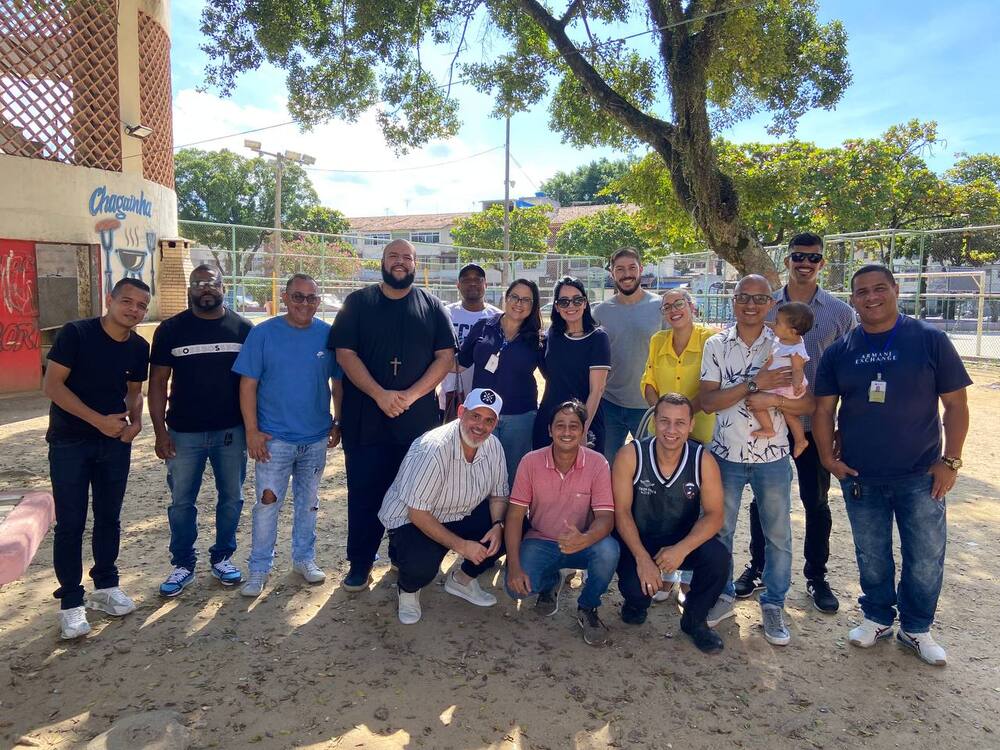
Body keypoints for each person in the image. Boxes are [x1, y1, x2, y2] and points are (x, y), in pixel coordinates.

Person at [813, 265, 970, 666]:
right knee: (872, 553)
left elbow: (955, 405)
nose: (871, 297)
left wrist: (950, 460)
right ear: (853, 300)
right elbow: (824, 409)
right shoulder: (840, 350)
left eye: (879, 288)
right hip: (861, 476)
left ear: (896, 290)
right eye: (862, 291)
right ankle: (877, 617)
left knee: (925, 555)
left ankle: (916, 629)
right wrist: (828, 458)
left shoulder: (929, 340)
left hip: (921, 475)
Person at [736, 233, 856, 614]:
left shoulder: (839, 312)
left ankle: (816, 575)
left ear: (822, 263)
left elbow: (849, 371)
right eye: (798, 256)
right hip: (770, 417)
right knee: (763, 500)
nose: (805, 263)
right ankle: (757, 566)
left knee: (816, 501)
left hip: (814, 420)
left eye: (813, 257)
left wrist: (841, 423)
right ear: (787, 260)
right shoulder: (766, 305)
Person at [329, 239, 456, 591]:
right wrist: (380, 394)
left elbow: (445, 358)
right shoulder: (358, 303)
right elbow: (345, 354)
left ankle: (404, 557)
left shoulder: (432, 306)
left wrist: (411, 396)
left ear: (416, 264)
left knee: (414, 493)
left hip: (417, 424)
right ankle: (360, 563)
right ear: (382, 262)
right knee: (365, 493)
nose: (400, 262)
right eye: (394, 257)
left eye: (407, 258)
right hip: (365, 420)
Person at [699, 275, 815, 646]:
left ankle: (774, 602)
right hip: (726, 455)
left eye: (759, 298)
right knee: (721, 530)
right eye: (743, 297)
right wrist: (754, 384)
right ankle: (724, 593)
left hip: (773, 456)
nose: (750, 304)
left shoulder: (785, 342)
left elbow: (806, 402)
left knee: (777, 533)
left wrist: (774, 401)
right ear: (733, 301)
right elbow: (708, 402)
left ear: (771, 303)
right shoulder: (716, 344)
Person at [42, 277, 151, 639]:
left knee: (109, 518)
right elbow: (52, 386)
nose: (134, 310)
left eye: (141, 306)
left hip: (115, 443)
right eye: (128, 302)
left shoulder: (139, 347)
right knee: (70, 524)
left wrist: (135, 423)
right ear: (110, 299)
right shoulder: (76, 334)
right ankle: (71, 604)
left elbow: (134, 392)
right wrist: (97, 421)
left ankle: (106, 586)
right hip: (70, 443)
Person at [233, 274, 343, 598]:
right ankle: (259, 569)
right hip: (273, 440)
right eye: (298, 297)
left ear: (318, 302)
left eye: (311, 298)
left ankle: (304, 559)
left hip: (315, 437)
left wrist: (339, 421)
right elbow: (247, 385)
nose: (304, 304)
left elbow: (338, 383)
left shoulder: (327, 336)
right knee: (267, 505)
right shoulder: (263, 334)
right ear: (284, 298)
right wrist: (251, 431)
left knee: (309, 503)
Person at [149, 265, 253, 597]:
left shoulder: (243, 329)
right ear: (190, 289)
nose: (205, 289)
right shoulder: (170, 330)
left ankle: (223, 557)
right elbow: (156, 384)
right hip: (183, 433)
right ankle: (183, 564)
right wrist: (159, 432)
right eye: (199, 284)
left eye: (212, 284)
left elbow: (254, 385)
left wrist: (253, 428)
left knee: (232, 498)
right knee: (181, 502)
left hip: (230, 432)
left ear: (225, 286)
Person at [378, 388, 509, 624]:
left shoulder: (494, 447)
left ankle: (462, 580)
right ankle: (408, 589)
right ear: (461, 412)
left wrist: (498, 525)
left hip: (459, 510)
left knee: (513, 528)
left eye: (489, 420)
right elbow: (416, 513)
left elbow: (499, 496)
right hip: (413, 518)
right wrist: (462, 546)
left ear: (495, 423)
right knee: (421, 567)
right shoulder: (434, 448)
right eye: (475, 416)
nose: (480, 426)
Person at [612, 394, 729, 654]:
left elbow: (714, 515)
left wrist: (682, 549)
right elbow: (621, 513)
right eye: (664, 421)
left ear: (691, 425)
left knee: (719, 558)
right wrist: (642, 558)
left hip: (680, 540)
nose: (671, 430)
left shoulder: (702, 460)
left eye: (679, 423)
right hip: (638, 539)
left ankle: (694, 620)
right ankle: (635, 603)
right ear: (654, 422)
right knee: (636, 590)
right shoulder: (631, 455)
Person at [504, 400, 619, 646]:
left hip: (583, 542)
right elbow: (514, 516)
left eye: (573, 426)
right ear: (549, 430)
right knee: (516, 589)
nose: (566, 432)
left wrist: (585, 538)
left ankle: (588, 607)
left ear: (583, 431)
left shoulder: (598, 463)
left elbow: (606, 519)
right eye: (560, 425)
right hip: (541, 540)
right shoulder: (530, 462)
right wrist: (513, 566)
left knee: (609, 550)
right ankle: (549, 583)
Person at [458, 279, 544, 482]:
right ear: (506, 297)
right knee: (475, 472)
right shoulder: (483, 327)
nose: (519, 303)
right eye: (515, 297)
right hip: (480, 415)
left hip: (520, 417)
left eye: (526, 300)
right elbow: (459, 364)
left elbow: (554, 376)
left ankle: (509, 515)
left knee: (512, 475)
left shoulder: (538, 339)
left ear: (533, 306)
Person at [592, 248, 662, 463]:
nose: (627, 274)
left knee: (647, 468)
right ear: (612, 274)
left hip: (648, 405)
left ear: (641, 269)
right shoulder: (600, 312)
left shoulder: (661, 307)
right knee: (608, 466)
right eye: (619, 269)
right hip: (610, 403)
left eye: (632, 268)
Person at [533, 277, 611, 454]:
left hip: (586, 422)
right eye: (564, 301)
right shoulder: (551, 336)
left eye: (577, 300)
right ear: (557, 306)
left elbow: (597, 390)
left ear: (585, 303)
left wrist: (582, 429)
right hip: (549, 420)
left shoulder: (598, 338)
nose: (571, 306)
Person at [640, 289, 716, 444]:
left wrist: (679, 417)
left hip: (700, 432)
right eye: (667, 307)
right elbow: (649, 383)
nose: (673, 310)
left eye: (679, 304)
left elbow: (713, 387)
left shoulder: (710, 340)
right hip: (660, 432)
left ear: (692, 307)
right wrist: (665, 419)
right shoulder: (657, 340)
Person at [750, 302, 813, 458]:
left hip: (785, 385)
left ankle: (769, 428)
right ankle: (800, 440)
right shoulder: (785, 338)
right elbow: (772, 326)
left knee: (755, 402)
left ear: (792, 331)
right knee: (790, 416)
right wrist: (761, 322)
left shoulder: (796, 348)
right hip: (777, 381)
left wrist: (797, 385)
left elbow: (798, 369)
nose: (774, 325)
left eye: (778, 322)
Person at [439, 263, 501, 421]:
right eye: (466, 279)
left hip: (485, 396)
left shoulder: (497, 317)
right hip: (452, 394)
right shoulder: (445, 314)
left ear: (485, 284)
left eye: (478, 279)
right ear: (458, 285)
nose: (472, 283)